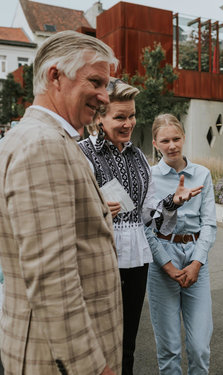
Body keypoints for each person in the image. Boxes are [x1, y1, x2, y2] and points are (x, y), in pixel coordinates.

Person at [0, 30, 121, 374]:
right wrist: (91, 368)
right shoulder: (43, 144)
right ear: (55, 76)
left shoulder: (42, 137)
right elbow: (53, 277)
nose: (104, 96)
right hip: (59, 359)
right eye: (96, 81)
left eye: (106, 84)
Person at [78, 80, 202, 375]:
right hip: (98, 257)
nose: (128, 123)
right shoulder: (81, 154)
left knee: (127, 342)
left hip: (135, 259)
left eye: (131, 116)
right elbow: (65, 208)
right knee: (97, 342)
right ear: (99, 117)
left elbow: (149, 217)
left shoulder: (139, 158)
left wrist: (171, 203)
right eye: (120, 117)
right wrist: (93, 210)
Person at [145, 114, 216, 374]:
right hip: (163, 256)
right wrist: (166, 264)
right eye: (165, 141)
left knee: (199, 348)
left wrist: (197, 262)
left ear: (184, 137)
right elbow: (146, 226)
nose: (172, 145)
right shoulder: (149, 177)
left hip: (196, 256)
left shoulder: (202, 174)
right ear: (155, 143)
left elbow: (209, 223)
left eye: (176, 138)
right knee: (169, 349)